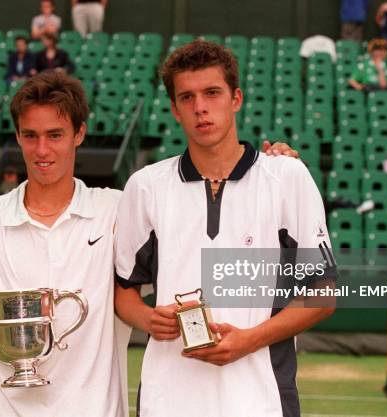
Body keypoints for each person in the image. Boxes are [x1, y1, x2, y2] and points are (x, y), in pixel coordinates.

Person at [0, 70, 298, 417]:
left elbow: (203, 238)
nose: (42, 149)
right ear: (17, 136)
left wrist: (269, 170)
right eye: (30, 135)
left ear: (79, 134)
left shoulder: (118, 209)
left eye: (55, 135)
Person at [114, 40, 336, 417]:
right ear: (174, 110)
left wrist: (248, 341)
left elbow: (323, 294)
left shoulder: (286, 177)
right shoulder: (146, 185)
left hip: (261, 398)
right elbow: (124, 293)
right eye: (187, 97)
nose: (200, 107)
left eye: (212, 93)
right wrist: (148, 318)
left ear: (236, 98)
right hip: (168, 398)